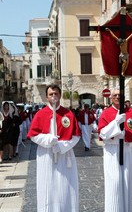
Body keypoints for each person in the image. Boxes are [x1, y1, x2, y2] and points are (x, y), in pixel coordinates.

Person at [27, 84, 81, 212]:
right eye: (51, 94)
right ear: (46, 97)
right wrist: (48, 140)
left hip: (65, 154)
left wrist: (62, 146)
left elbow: (76, 136)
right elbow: (33, 135)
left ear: (60, 95)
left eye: (56, 93)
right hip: (46, 155)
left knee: (66, 186)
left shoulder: (68, 113)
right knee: (48, 186)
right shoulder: (40, 114)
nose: (54, 96)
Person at [98, 87, 132, 212]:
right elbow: (103, 134)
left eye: (120, 95)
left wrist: (126, 135)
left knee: (128, 183)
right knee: (114, 184)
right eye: (115, 95)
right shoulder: (106, 113)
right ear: (111, 97)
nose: (118, 97)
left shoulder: (130, 112)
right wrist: (115, 124)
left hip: (127, 150)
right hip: (112, 151)